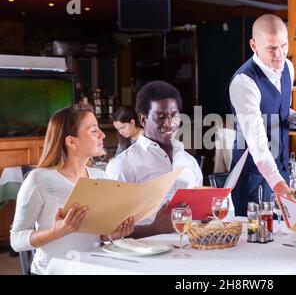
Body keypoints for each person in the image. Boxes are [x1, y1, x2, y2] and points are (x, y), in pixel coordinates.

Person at [10, 104, 134, 275]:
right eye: (93, 130)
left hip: (93, 269)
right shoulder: (39, 180)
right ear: (71, 141)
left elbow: (98, 236)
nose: (102, 135)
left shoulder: (101, 177)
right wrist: (55, 232)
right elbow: (16, 240)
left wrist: (112, 234)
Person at [106, 81, 203, 238]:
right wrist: (154, 228)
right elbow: (108, 233)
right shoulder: (123, 165)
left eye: (174, 115)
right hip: (145, 257)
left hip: (192, 252)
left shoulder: (189, 161)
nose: (170, 124)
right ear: (143, 120)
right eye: (161, 117)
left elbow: (199, 217)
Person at [229, 14, 295, 216]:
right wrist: (278, 184)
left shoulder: (288, 68)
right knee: (255, 243)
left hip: (282, 170)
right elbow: (257, 142)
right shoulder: (244, 82)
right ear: (254, 45)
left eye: (284, 45)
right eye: (272, 48)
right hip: (253, 177)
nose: (280, 54)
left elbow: (282, 111)